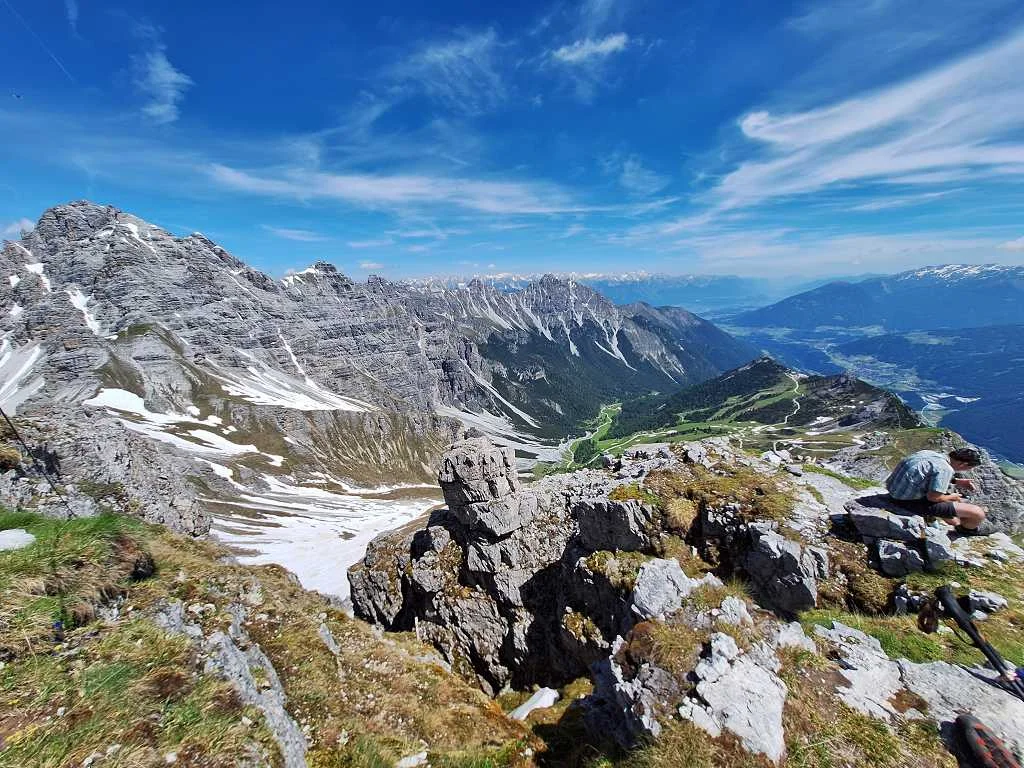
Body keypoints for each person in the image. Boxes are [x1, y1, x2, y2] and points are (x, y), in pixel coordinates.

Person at [885, 447, 992, 535]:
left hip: (895, 492)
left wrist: (957, 482)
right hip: (906, 502)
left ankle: (952, 522)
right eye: (968, 468)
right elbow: (933, 498)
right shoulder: (945, 469)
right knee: (977, 513)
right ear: (963, 464)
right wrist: (952, 497)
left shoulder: (928, 453)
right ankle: (966, 530)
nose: (966, 471)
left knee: (948, 499)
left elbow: (927, 475)